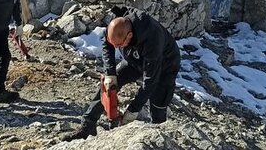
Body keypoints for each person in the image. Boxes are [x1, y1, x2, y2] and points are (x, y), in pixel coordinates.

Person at [63, 8, 181, 141]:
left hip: (165, 65)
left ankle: (159, 136)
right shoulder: (118, 22)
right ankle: (87, 126)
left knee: (158, 102)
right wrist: (110, 73)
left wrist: (133, 109)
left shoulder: (153, 38)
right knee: (108, 87)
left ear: (129, 36)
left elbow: (150, 81)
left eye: (119, 45)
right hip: (134, 60)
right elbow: (107, 43)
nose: (117, 47)